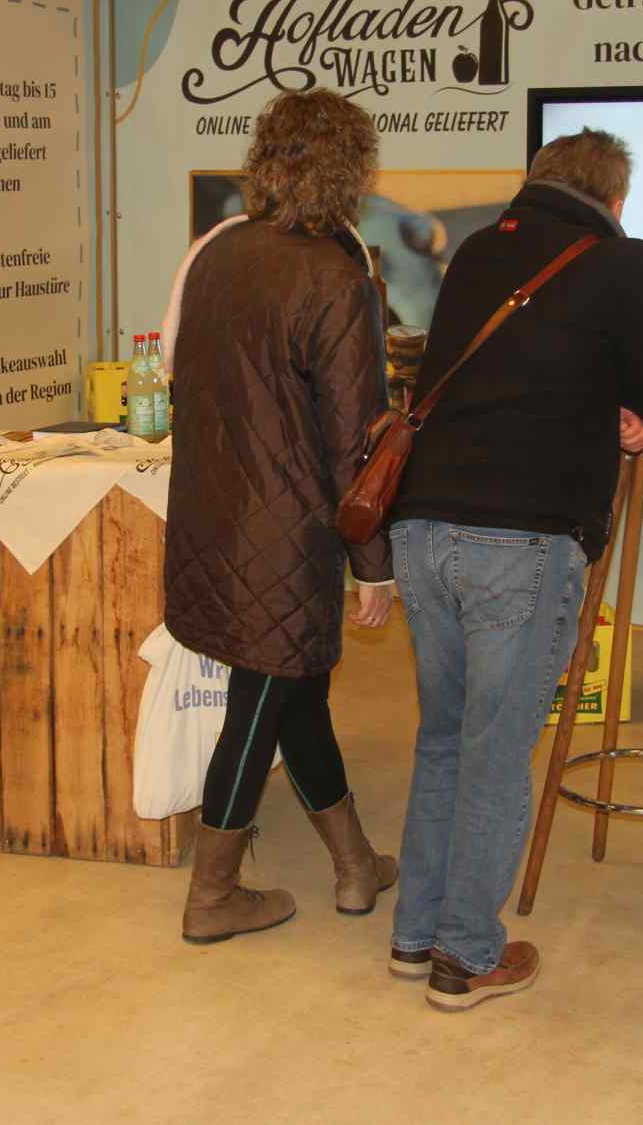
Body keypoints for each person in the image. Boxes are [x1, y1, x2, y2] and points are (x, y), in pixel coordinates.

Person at [385, 128, 643, 1010]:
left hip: (423, 528)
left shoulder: (479, 250)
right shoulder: (630, 263)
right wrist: (627, 410)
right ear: (616, 199)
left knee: (445, 736)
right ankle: (466, 957)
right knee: (497, 750)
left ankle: (416, 935)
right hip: (521, 539)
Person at [163, 88, 398, 945]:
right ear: (352, 173)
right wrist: (374, 568)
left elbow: (184, 382)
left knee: (297, 694)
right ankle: (213, 895)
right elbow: (355, 444)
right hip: (286, 533)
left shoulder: (219, 254)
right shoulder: (336, 280)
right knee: (259, 705)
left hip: (213, 518)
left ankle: (355, 864)